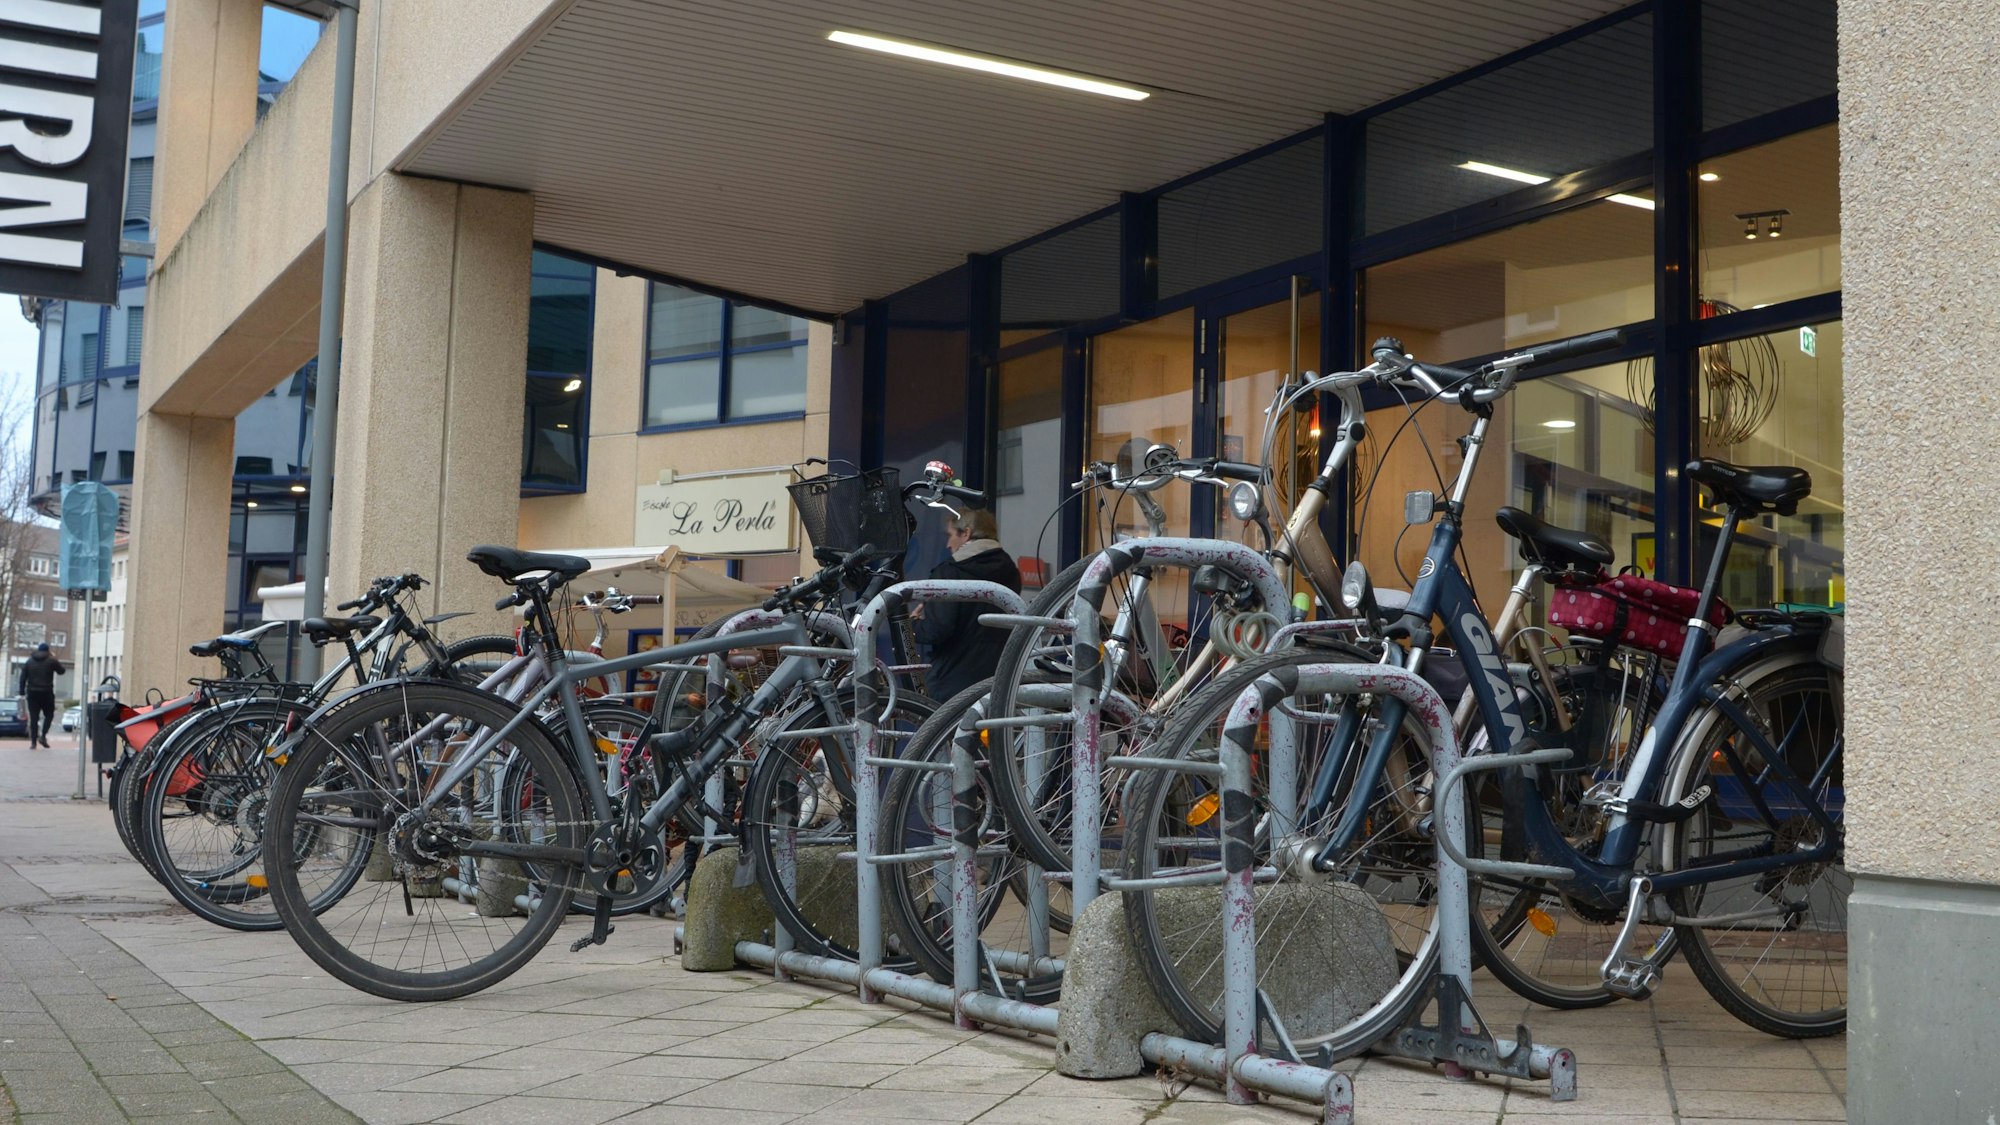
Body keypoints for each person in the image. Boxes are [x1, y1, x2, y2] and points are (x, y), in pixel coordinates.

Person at [911, 507, 1020, 702]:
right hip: (999, 685)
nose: (947, 544)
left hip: (951, 687)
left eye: (950, 535)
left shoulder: (950, 572)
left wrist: (913, 625)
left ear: (966, 533)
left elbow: (938, 630)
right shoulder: (1010, 571)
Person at [18, 642, 66, 749]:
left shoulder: (29, 662)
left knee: (34, 717)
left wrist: (21, 691)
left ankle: (33, 742)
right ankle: (43, 736)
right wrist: (55, 659)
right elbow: (62, 671)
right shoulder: (51, 661)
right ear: (48, 650)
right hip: (46, 692)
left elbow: (22, 677)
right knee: (49, 715)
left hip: (32, 692)